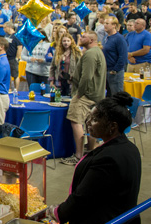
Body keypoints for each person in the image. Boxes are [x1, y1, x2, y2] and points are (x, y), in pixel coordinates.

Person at [52, 92, 141, 224]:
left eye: (94, 119)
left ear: (112, 127)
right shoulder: (128, 148)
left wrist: (57, 213)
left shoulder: (109, 158)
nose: (88, 123)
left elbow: (83, 198)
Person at [63, 30, 106, 166]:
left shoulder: (90, 54)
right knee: (90, 123)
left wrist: (79, 93)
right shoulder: (97, 52)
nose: (80, 38)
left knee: (76, 121)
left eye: (84, 37)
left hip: (86, 95)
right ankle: (90, 152)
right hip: (96, 94)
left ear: (92, 40)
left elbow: (87, 77)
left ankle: (78, 155)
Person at [102, 16, 128, 97]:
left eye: (107, 23)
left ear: (114, 25)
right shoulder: (105, 38)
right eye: (104, 23)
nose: (104, 25)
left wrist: (115, 70)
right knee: (108, 96)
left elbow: (123, 56)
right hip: (106, 71)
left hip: (114, 73)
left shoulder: (119, 38)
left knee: (117, 97)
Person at [50, 33, 81, 97]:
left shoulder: (76, 52)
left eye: (68, 41)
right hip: (59, 80)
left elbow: (80, 67)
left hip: (71, 80)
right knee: (58, 98)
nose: (66, 43)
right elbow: (52, 67)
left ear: (71, 42)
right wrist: (51, 80)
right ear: (61, 42)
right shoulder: (57, 52)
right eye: (64, 41)